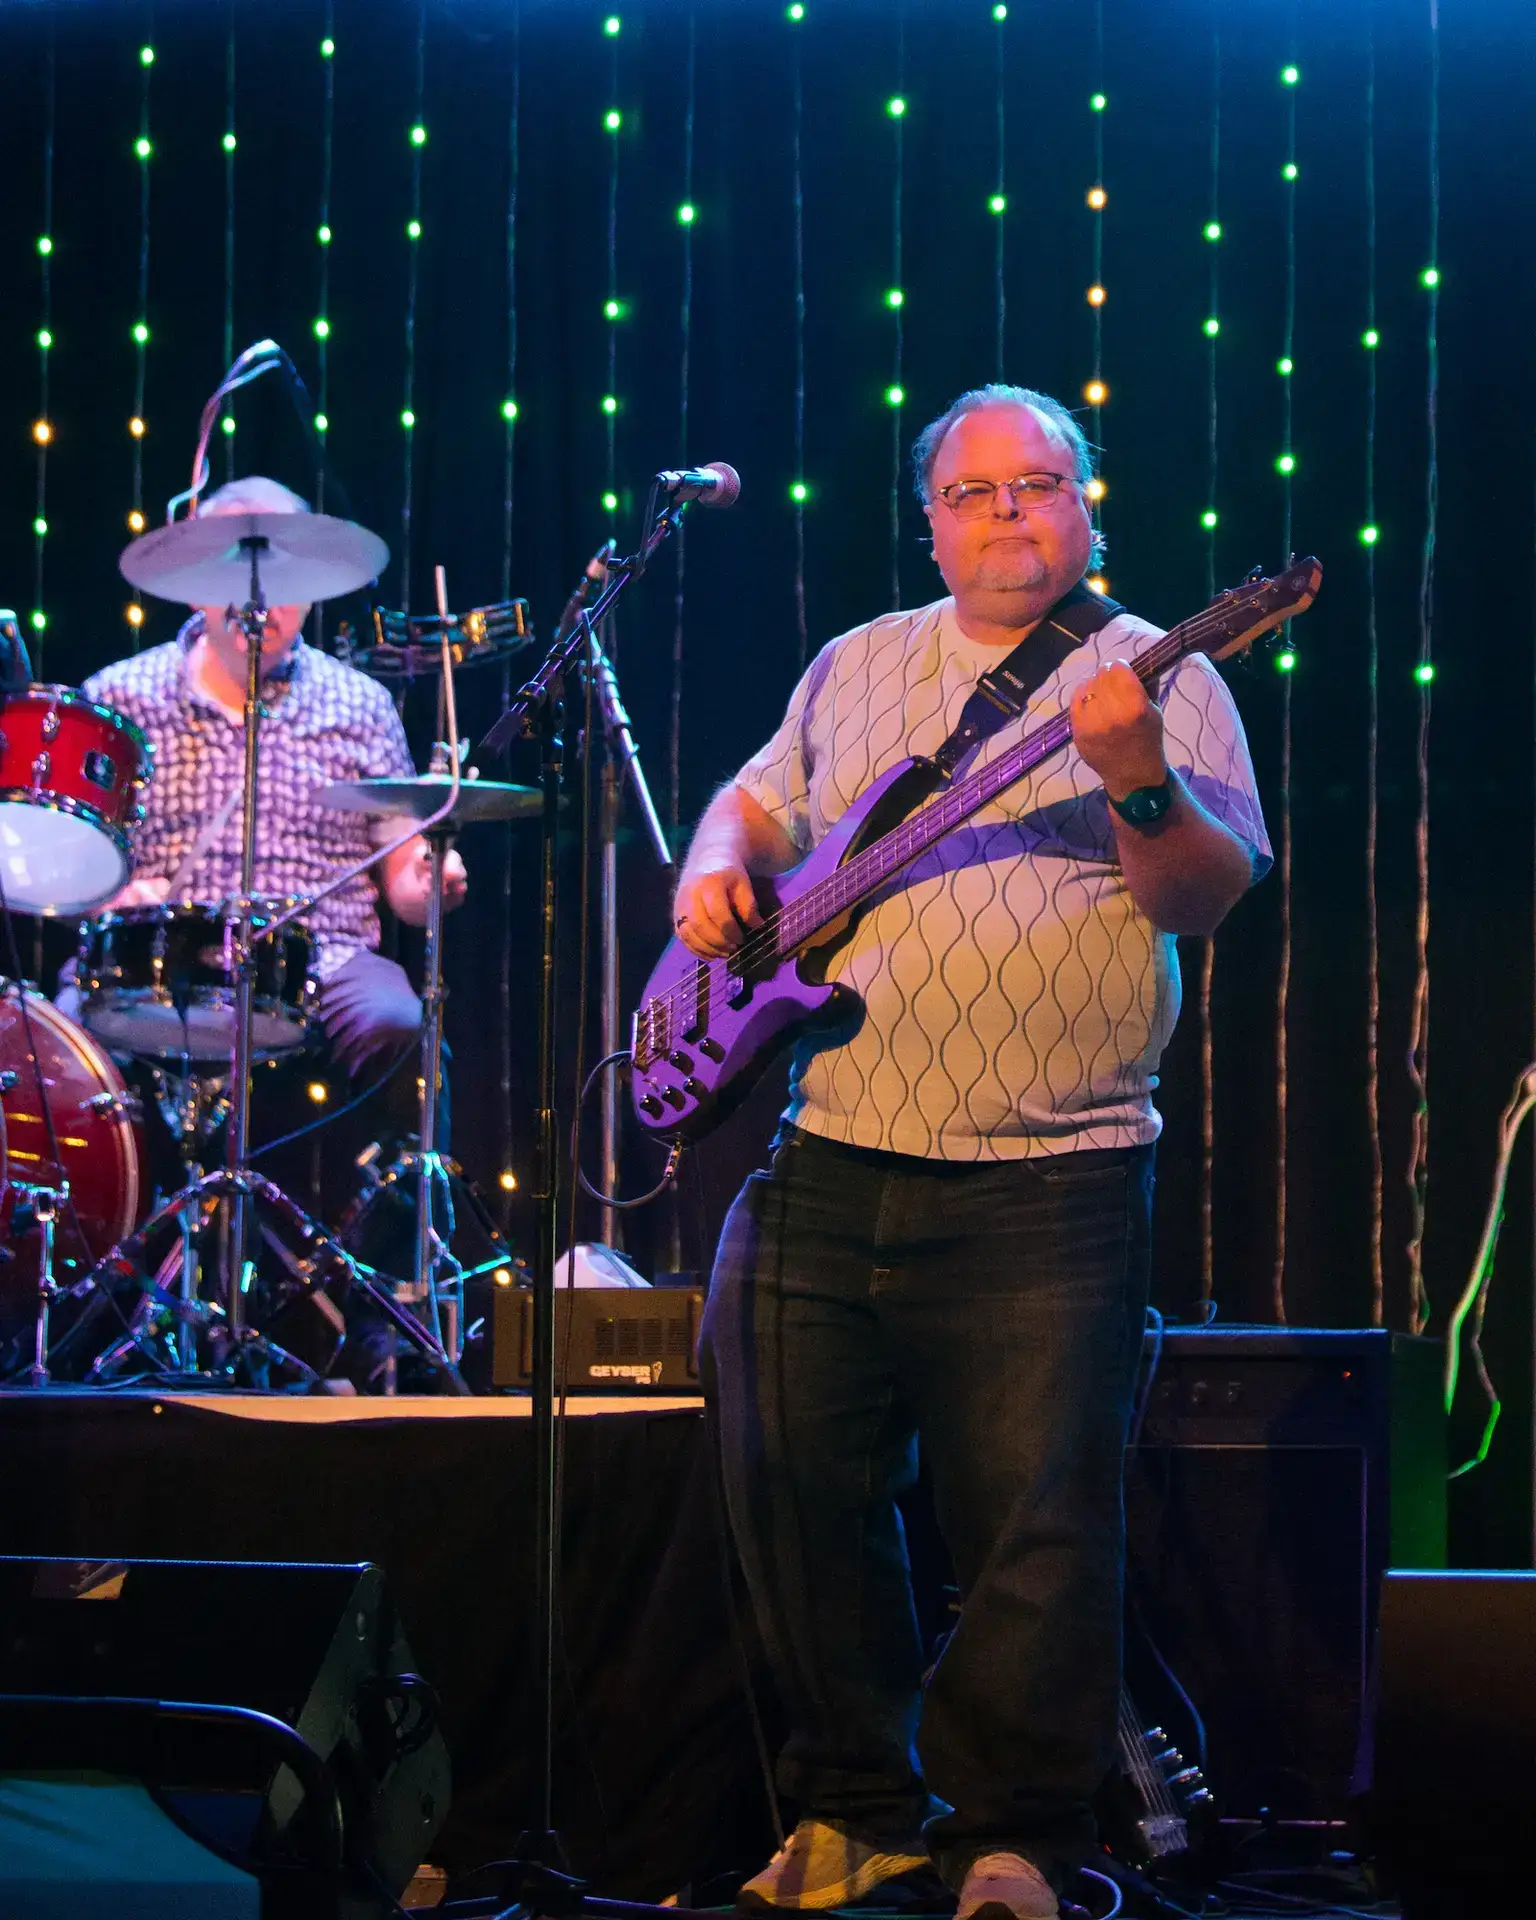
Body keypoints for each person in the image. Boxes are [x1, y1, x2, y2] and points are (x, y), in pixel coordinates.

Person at [675, 387, 1270, 1919]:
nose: (1008, 512)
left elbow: (1203, 894)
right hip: (829, 1149)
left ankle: (1015, 1839)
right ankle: (855, 1810)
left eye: (1038, 484)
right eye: (973, 491)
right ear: (930, 522)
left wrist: (1136, 777)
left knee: (1034, 1530)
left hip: (1051, 1179)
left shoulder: (1165, 670)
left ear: (1087, 507)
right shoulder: (857, 661)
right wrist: (714, 868)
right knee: (784, 1481)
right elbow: (751, 803)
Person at [74, 474, 466, 1083]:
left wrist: (428, 882)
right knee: (52, 1054)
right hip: (150, 959)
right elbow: (69, 858)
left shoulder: (360, 704)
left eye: (286, 577)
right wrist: (111, 898)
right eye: (236, 574)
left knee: (400, 1027)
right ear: (194, 587)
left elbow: (403, 878)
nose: (261, 598)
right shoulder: (118, 697)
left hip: (324, 959)